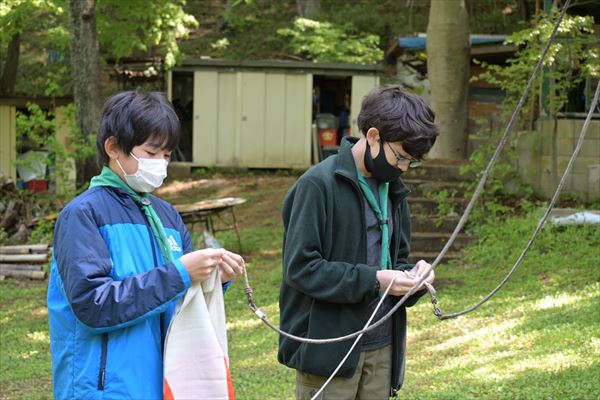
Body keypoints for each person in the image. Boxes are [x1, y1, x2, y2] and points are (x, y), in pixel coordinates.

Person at [47, 91, 245, 399]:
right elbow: (92, 305)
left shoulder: (167, 216)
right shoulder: (83, 215)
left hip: (165, 381)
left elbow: (180, 297)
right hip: (106, 388)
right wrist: (180, 274)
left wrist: (213, 280)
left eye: (167, 155)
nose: (161, 165)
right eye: (151, 153)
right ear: (113, 147)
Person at [278, 85, 439, 399]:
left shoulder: (392, 188)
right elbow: (301, 268)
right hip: (331, 351)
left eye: (413, 162)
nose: (405, 168)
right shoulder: (316, 185)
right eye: (402, 157)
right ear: (374, 136)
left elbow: (395, 260)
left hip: (382, 347)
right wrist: (375, 281)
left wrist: (414, 277)